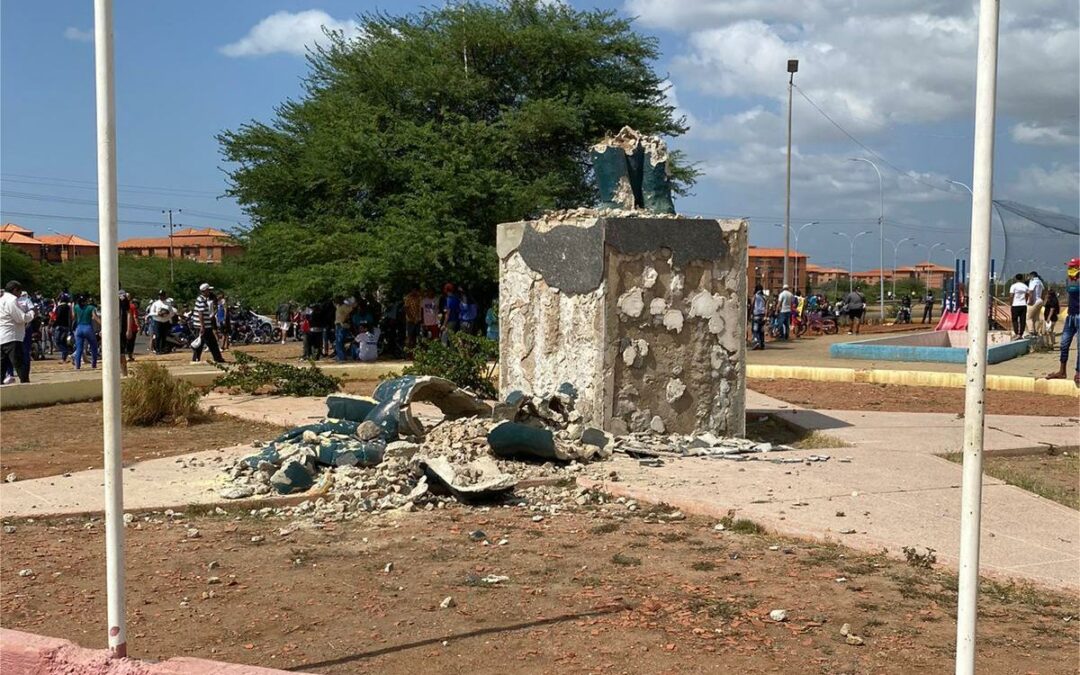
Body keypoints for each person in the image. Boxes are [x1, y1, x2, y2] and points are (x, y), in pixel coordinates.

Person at [1046, 258, 1079, 386]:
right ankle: (1062, 371)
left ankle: (1078, 373)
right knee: (1064, 344)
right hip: (1070, 316)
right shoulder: (1069, 280)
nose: (1070, 269)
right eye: (1069, 267)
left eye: (1072, 267)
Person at [0, 281, 35, 384]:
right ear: (15, 290)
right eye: (19, 292)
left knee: (2, 364)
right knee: (19, 363)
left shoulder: (1, 300)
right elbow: (21, 318)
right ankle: (25, 384)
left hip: (2, 336)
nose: (20, 295)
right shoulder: (11, 300)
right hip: (12, 336)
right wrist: (32, 313)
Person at [191, 283, 225, 364]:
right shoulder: (201, 299)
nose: (210, 291)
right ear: (205, 291)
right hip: (203, 325)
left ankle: (216, 357)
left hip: (205, 324)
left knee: (206, 341)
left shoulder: (203, 299)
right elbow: (200, 313)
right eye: (208, 290)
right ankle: (216, 358)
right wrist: (202, 326)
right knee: (205, 342)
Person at [72, 294, 99, 370]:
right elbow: (95, 317)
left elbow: (73, 316)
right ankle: (94, 364)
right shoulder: (91, 308)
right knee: (94, 346)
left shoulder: (76, 307)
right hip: (88, 328)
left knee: (79, 348)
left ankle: (77, 365)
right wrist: (102, 323)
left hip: (79, 328)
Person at [148, 290, 175, 354]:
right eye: (160, 295)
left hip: (165, 321)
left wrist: (167, 314)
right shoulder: (155, 303)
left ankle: (162, 348)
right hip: (158, 321)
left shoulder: (168, 304)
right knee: (158, 336)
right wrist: (158, 313)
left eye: (162, 295)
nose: (161, 296)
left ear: (165, 296)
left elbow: (172, 313)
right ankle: (157, 349)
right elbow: (151, 313)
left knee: (164, 336)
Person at [53, 292, 73, 363]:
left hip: (60, 326)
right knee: (64, 341)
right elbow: (70, 317)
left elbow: (57, 317)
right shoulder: (68, 307)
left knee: (57, 341)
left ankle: (65, 352)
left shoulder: (59, 307)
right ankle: (64, 358)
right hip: (66, 326)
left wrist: (54, 324)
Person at [1008, 273, 1029, 339]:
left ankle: (1016, 333)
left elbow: (1011, 295)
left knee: (1015, 320)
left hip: (1015, 305)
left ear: (1016, 278)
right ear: (1022, 279)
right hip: (1023, 305)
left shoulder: (1013, 286)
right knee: (1023, 320)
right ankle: (1021, 334)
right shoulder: (1025, 286)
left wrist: (1011, 303)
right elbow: (1027, 295)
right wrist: (1025, 300)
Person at [1025, 271, 1045, 339]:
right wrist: (1043, 300)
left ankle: (1031, 332)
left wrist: (1030, 301)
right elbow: (1043, 292)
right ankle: (1036, 332)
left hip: (1034, 301)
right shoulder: (1040, 282)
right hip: (1040, 300)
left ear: (1032, 276)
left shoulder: (1032, 281)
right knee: (1036, 317)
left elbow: (1031, 291)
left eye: (1029, 276)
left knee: (1028, 317)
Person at [334, 295, 353, 362]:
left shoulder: (345, 307)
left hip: (341, 325)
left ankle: (342, 357)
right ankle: (341, 356)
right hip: (338, 324)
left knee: (339, 341)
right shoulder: (339, 306)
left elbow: (350, 310)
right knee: (339, 342)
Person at [750, 284, 767, 350]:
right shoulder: (764, 297)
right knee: (761, 330)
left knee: (755, 330)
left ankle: (756, 341)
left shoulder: (755, 296)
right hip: (762, 315)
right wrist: (766, 316)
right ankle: (762, 344)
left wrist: (751, 313)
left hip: (756, 314)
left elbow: (752, 304)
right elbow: (766, 307)